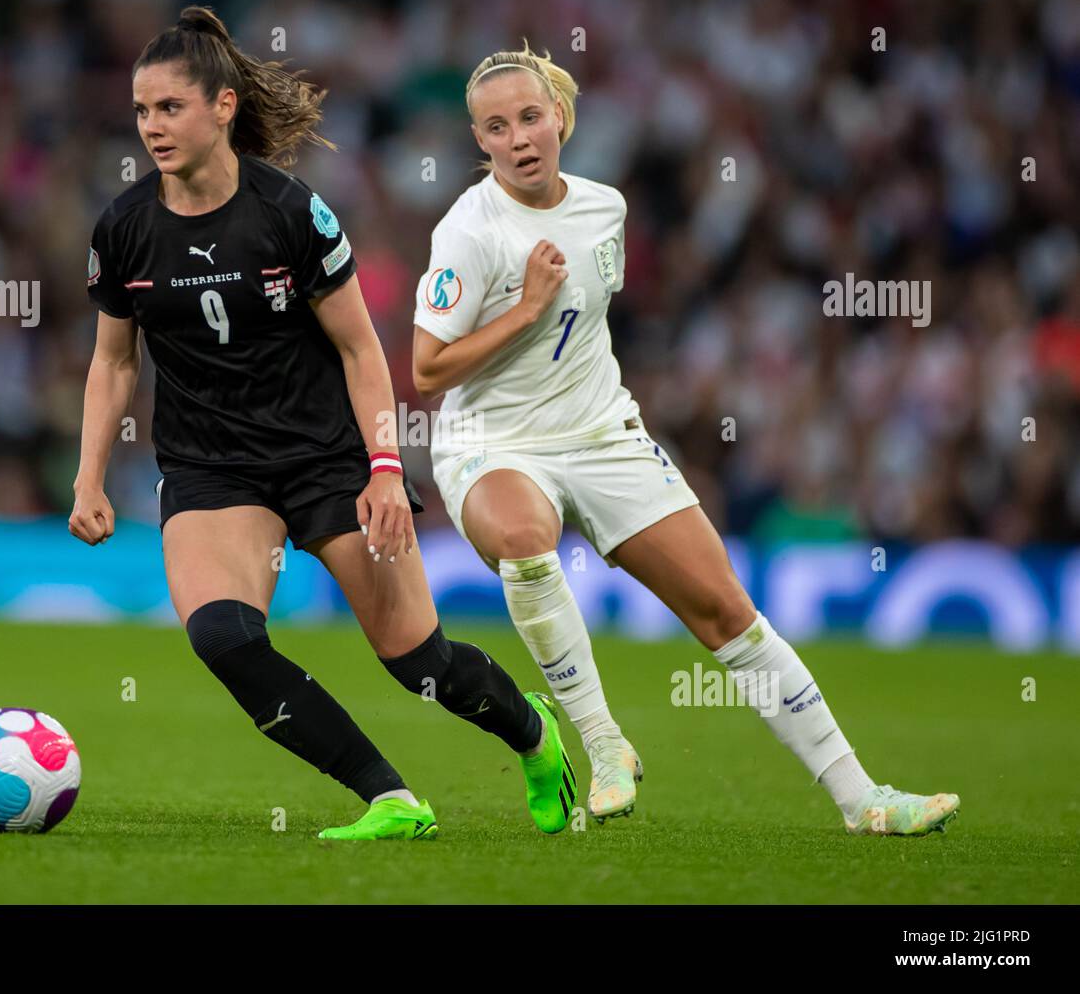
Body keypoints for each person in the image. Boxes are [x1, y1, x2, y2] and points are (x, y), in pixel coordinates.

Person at [411, 42, 960, 835]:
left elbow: (587, 327)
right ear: (480, 142)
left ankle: (863, 798)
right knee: (527, 541)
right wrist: (524, 309)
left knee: (726, 611)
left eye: (530, 117)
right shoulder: (468, 231)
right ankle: (603, 746)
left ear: (560, 116)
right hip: (492, 442)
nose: (519, 138)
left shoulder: (606, 210)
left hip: (601, 432)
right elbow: (427, 369)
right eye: (496, 128)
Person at [70, 8, 577, 841]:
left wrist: (384, 467)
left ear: (223, 106)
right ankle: (389, 797)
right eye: (140, 111)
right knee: (224, 637)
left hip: (325, 458)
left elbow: (360, 349)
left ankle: (532, 732)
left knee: (421, 665)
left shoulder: (290, 213)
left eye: (170, 108)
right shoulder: (124, 229)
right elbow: (115, 362)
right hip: (211, 470)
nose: (151, 127)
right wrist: (90, 476)